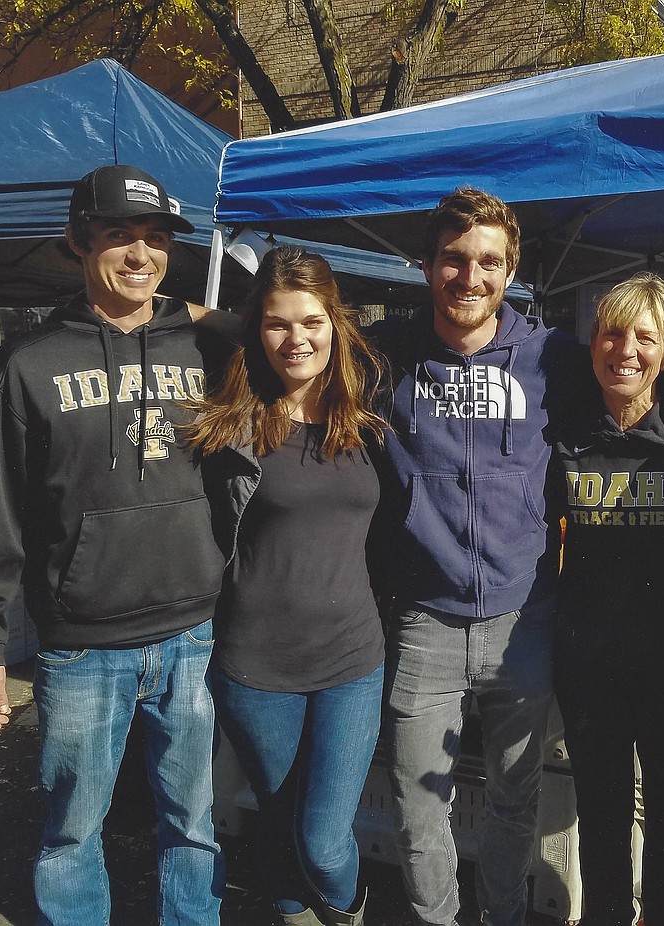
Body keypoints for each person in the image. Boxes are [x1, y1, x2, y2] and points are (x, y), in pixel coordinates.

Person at [0, 164, 229, 926]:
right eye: (118, 236)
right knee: (73, 833)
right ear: (79, 241)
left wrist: (201, 315)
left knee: (194, 828)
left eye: (154, 239)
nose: (140, 254)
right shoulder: (30, 363)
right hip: (81, 647)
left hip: (193, 635)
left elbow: (293, 328)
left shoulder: (208, 349)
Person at [369, 187, 584, 926]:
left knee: (513, 799)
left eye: (489, 262)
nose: (471, 277)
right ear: (426, 265)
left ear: (511, 269)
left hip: (523, 621)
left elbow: (648, 395)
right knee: (416, 805)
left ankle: (502, 916)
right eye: (455, 260)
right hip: (422, 620)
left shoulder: (551, 356)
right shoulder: (384, 354)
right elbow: (282, 349)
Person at [186, 246, 388, 926]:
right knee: (277, 820)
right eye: (276, 324)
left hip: (350, 660)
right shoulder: (235, 417)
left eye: (312, 322)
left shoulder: (367, 408)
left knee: (324, 838)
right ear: (255, 329)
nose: (296, 339)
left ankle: (349, 913)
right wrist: (226, 320)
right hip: (255, 665)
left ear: (337, 325)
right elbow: (187, 317)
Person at [552, 273, 664, 926]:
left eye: (644, 337)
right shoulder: (566, 425)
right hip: (588, 659)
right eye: (612, 334)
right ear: (592, 343)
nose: (626, 350)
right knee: (602, 812)